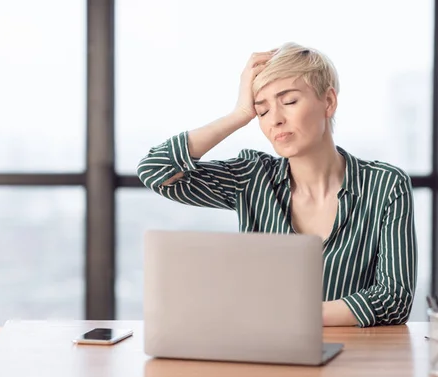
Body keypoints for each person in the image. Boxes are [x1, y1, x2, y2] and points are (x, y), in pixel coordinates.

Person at [137, 42, 418, 328]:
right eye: (262, 111)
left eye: (290, 101)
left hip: (353, 359)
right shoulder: (253, 177)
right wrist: (239, 114)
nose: (276, 120)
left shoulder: (385, 185)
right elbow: (155, 170)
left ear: (329, 102)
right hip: (264, 353)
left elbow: (393, 300)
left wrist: (294, 316)